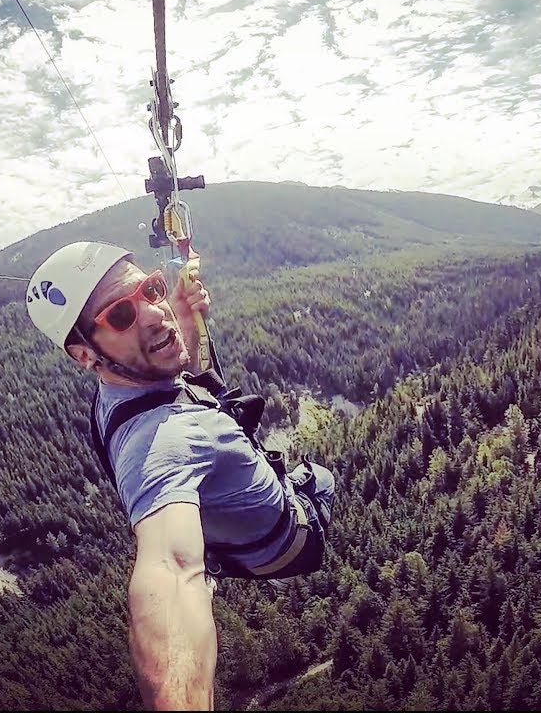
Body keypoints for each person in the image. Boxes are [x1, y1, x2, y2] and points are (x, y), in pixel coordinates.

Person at [26, 241, 335, 711]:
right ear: (85, 355)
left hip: (237, 544)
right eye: (122, 317)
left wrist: (187, 327)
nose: (154, 313)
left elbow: (180, 385)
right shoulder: (159, 445)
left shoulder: (120, 394)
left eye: (152, 289)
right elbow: (169, 571)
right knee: (324, 477)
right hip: (291, 540)